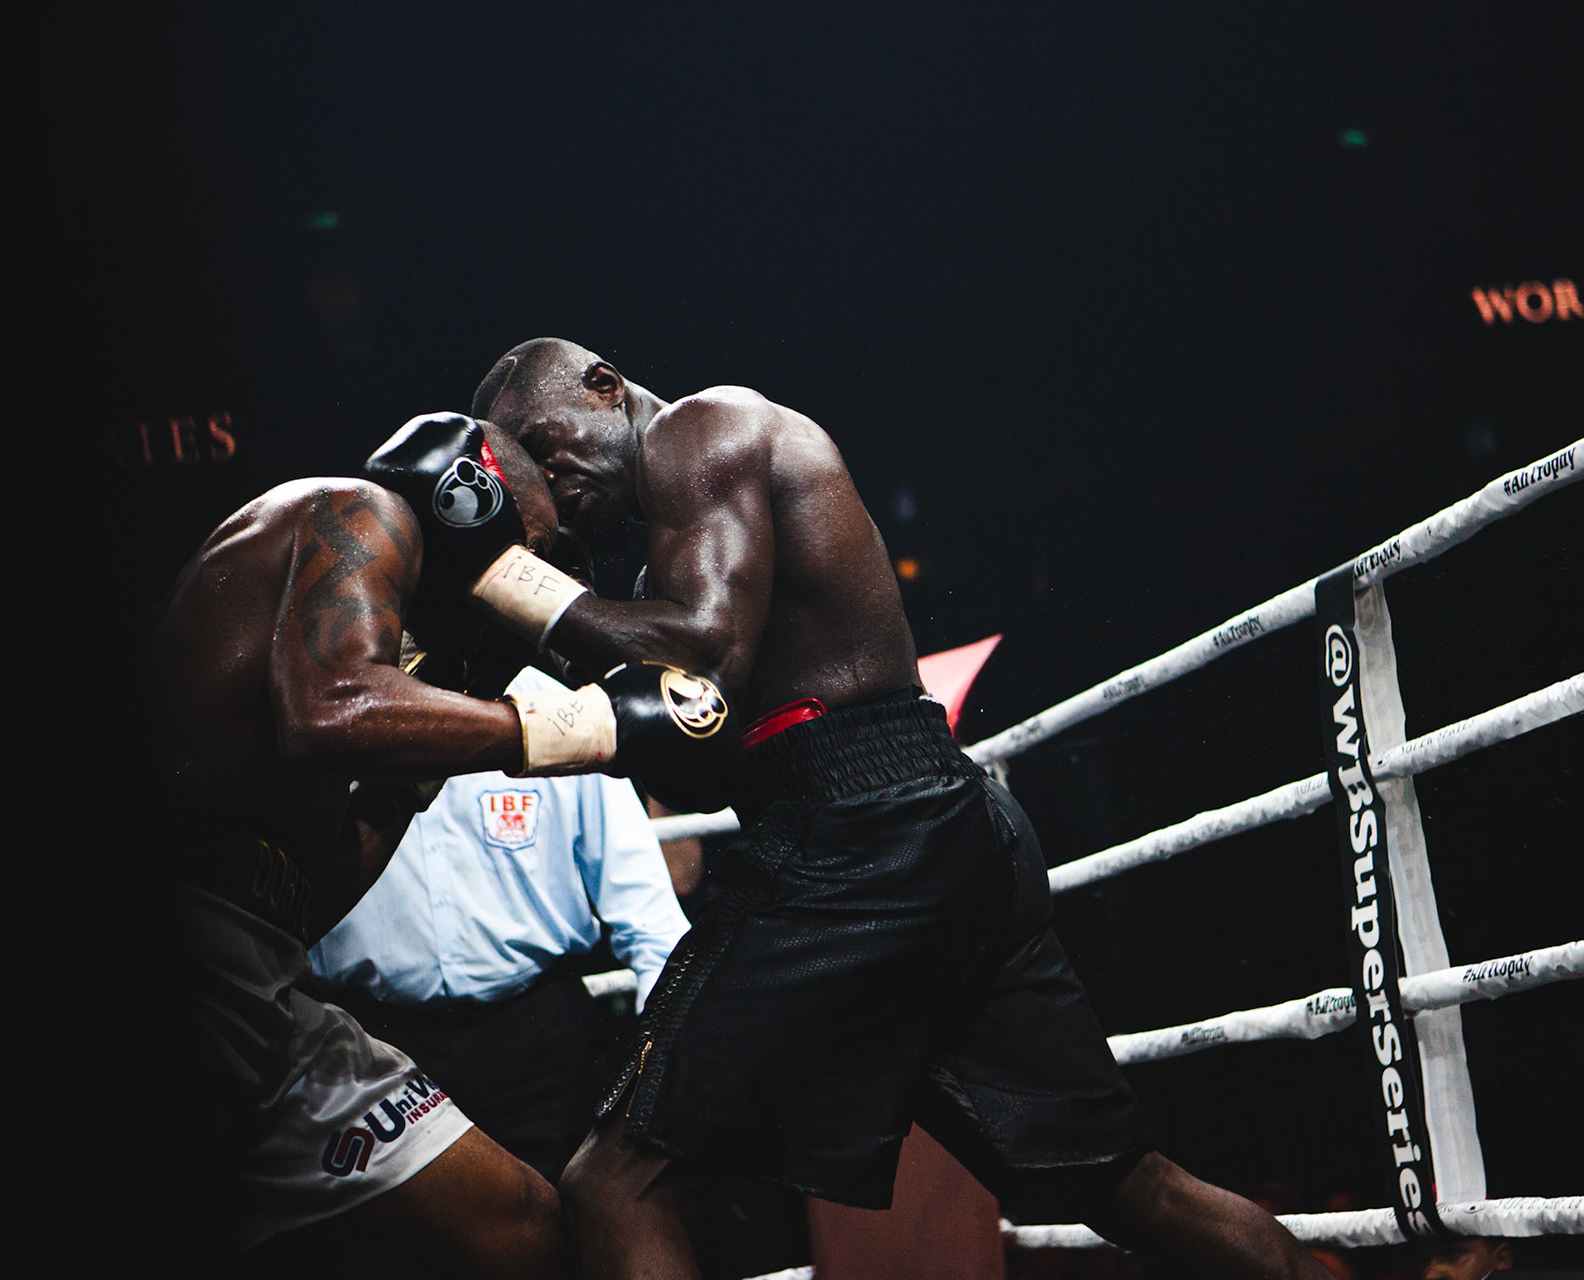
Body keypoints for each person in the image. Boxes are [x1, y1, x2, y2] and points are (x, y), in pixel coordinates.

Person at [467, 337, 1335, 1280]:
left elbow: (705, 651)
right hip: (922, 830)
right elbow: (703, 756)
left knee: (614, 1185)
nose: (545, 479)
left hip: (856, 836)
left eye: (544, 445)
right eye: (523, 475)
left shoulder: (701, 427)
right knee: (1125, 1185)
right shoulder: (655, 581)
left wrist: (501, 576)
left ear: (604, 385)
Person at [135, 411, 733, 1277]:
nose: (527, 596)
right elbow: (328, 711)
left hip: (266, 978)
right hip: (169, 939)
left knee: (521, 1224)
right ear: (475, 499)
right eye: (531, 556)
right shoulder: (356, 512)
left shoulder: (396, 672)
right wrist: (581, 725)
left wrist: (414, 779)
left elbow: (311, 903)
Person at [309, 664, 690, 1184]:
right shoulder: (324, 711)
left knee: (573, 1211)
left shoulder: (560, 711)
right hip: (369, 1039)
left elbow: (648, 913)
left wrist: (661, 1060)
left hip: (537, 1035)